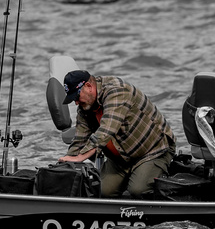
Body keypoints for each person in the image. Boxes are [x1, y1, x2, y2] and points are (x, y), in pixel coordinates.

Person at [59, 69, 175, 197]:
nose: (76, 102)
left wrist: (80, 158)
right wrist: (65, 166)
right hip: (120, 159)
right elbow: (79, 140)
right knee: (100, 191)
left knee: (138, 190)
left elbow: (106, 130)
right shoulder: (84, 107)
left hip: (153, 151)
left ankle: (163, 173)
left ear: (88, 86)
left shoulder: (117, 92)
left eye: (77, 97)